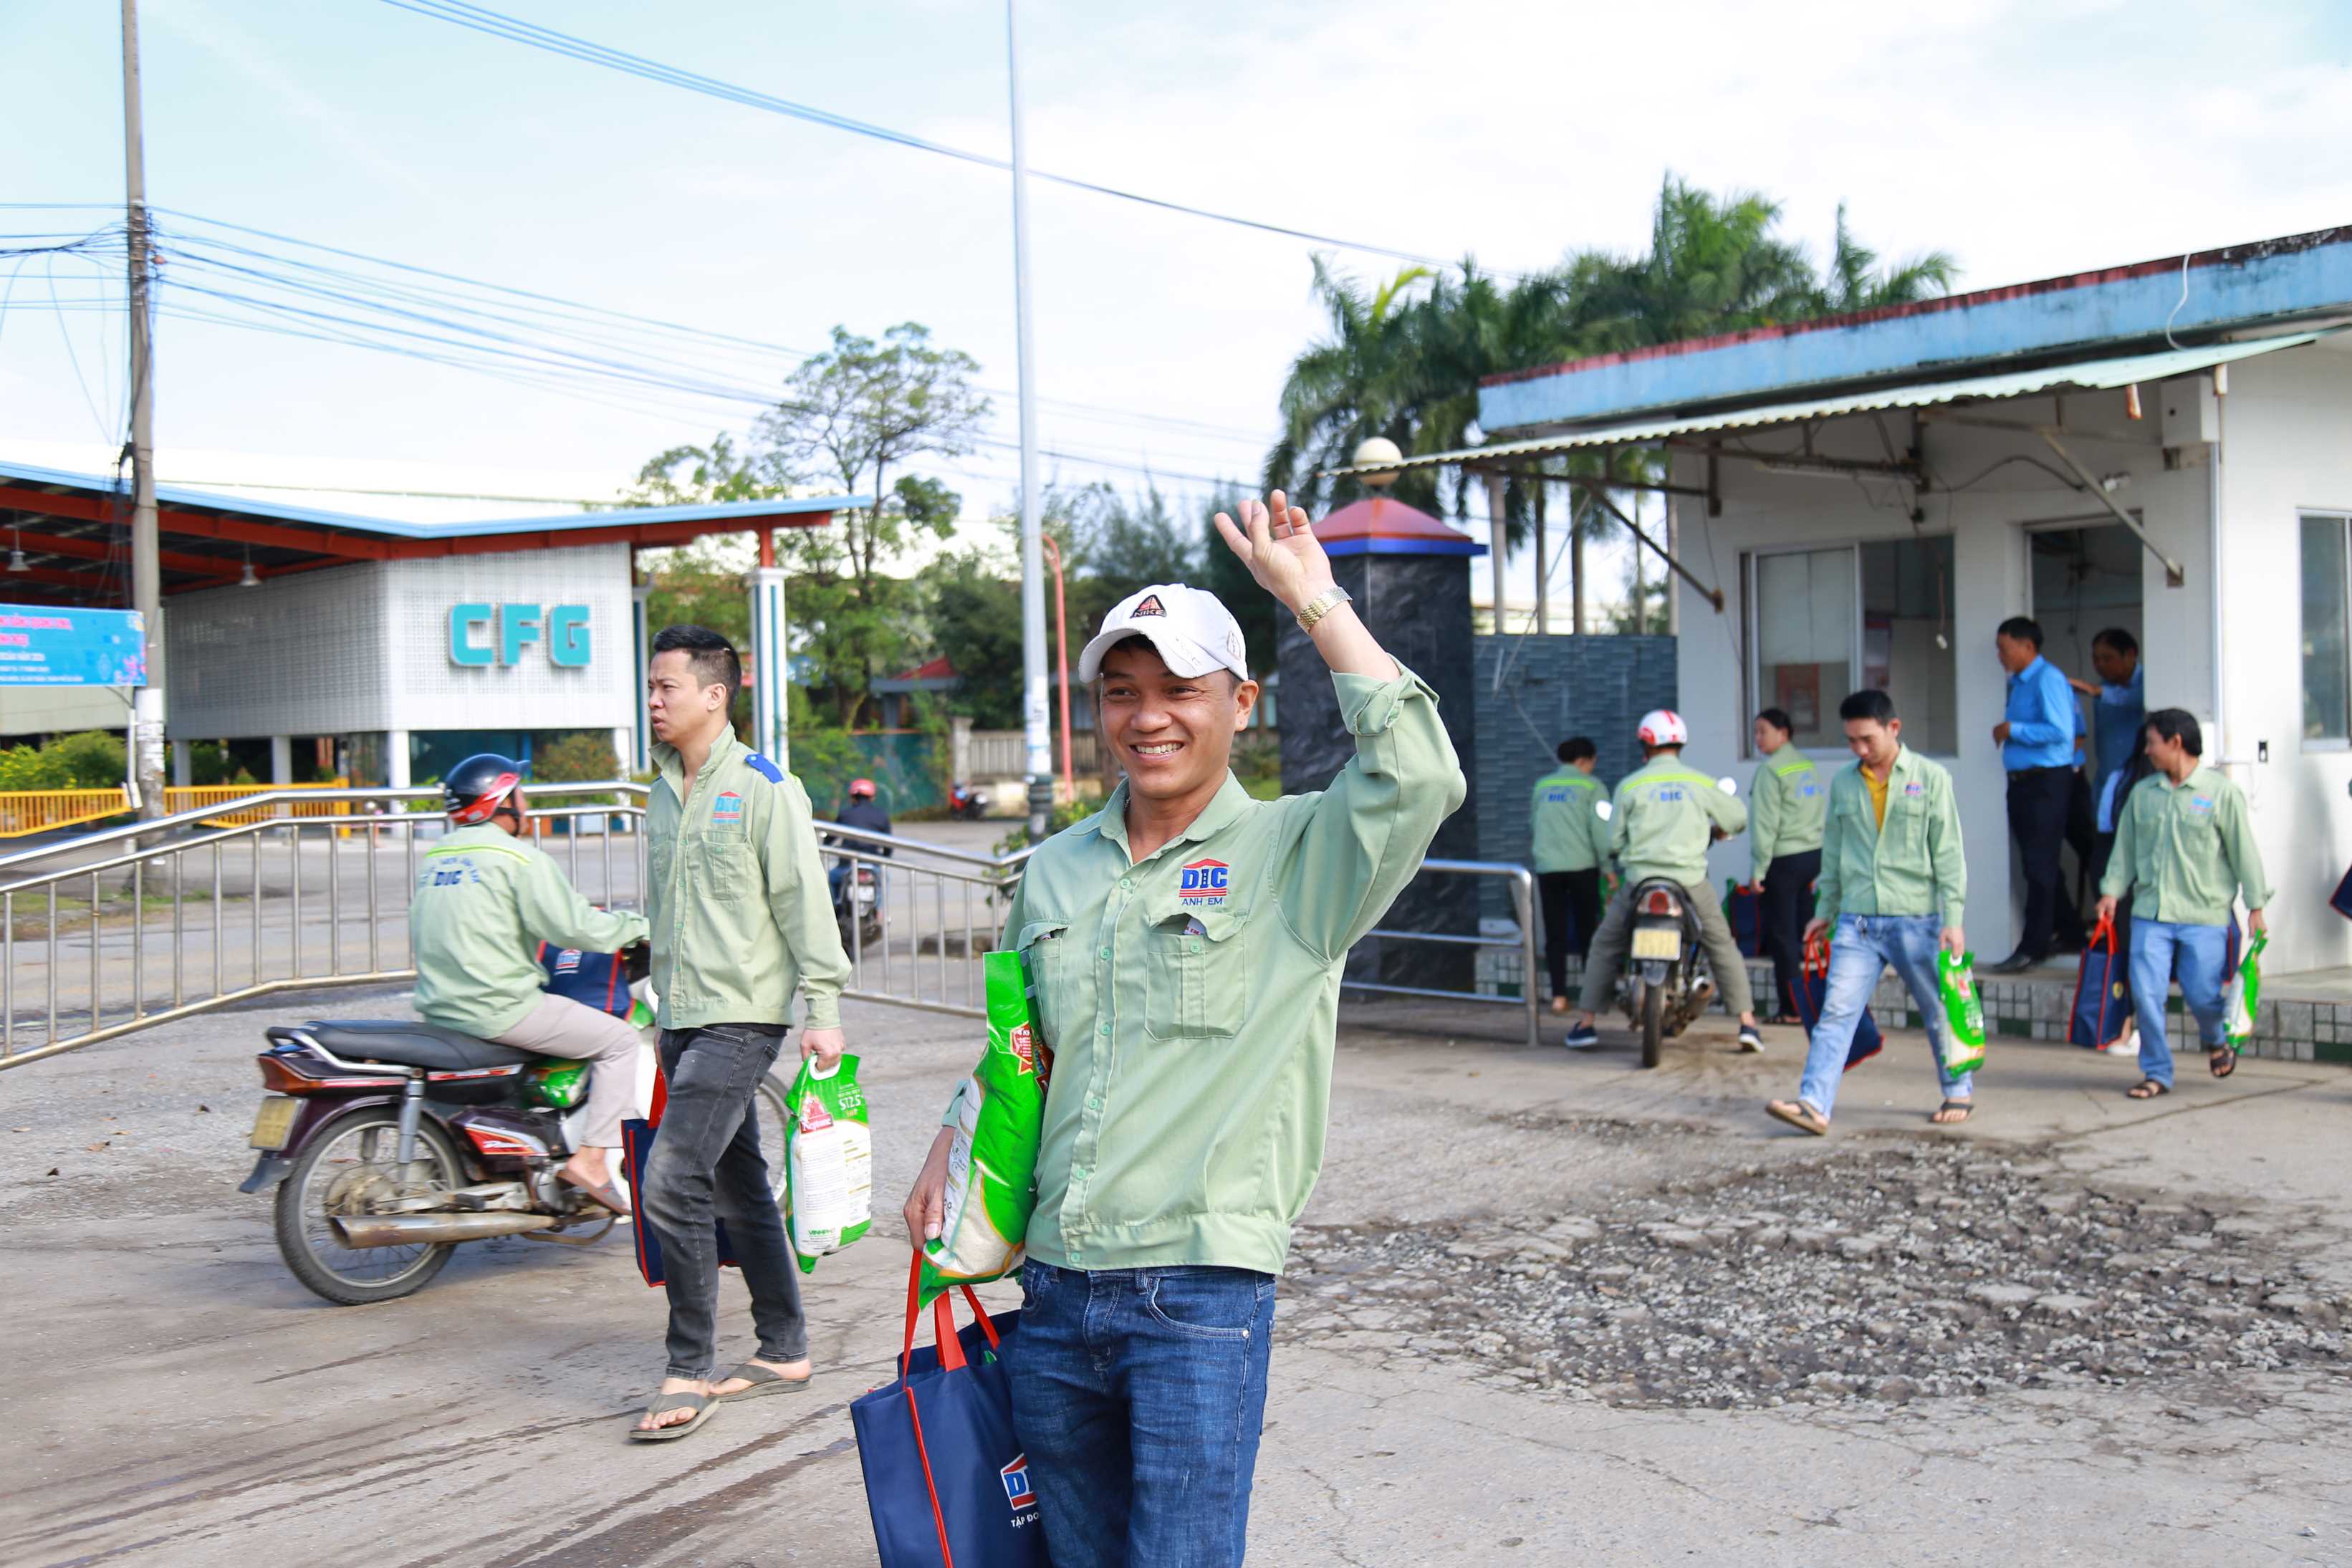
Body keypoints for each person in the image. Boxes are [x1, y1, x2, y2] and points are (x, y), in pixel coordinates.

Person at [901, 491, 1464, 1568]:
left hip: (1197, 1292)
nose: (1146, 716)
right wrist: (948, 1142)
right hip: (1052, 1284)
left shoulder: (1299, 856)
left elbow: (1421, 775)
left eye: (1178, 690)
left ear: (1240, 702)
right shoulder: (1052, 869)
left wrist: (1315, 600)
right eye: (1122, 692)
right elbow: (1020, 1049)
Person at [632, 625, 854, 1443]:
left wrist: (822, 1009)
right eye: (651, 687)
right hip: (679, 1016)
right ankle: (784, 1348)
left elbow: (804, 901)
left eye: (667, 687)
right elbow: (668, 907)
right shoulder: (662, 790)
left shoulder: (765, 788)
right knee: (741, 1187)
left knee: (670, 1177)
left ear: (715, 695)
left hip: (741, 1018)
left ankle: (688, 1366)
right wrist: (648, 995)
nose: (654, 701)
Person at [408, 753, 648, 1213]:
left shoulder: (437, 857)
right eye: (520, 794)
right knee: (618, 1041)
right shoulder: (518, 858)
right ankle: (592, 1162)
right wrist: (638, 928)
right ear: (501, 802)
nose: (526, 805)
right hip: (499, 1009)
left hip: (440, 1008)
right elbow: (575, 927)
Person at [1766, 689, 1971, 1134]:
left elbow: (1949, 853)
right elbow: (1835, 852)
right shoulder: (1844, 782)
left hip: (1916, 920)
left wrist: (1953, 919)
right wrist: (1825, 909)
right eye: (1851, 740)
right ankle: (1814, 1104)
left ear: (1893, 728)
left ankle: (1958, 1090)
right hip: (1857, 921)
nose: (1859, 749)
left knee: (1938, 1011)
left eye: (1867, 739)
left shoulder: (1931, 778)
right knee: (1837, 1012)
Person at [1561, 709, 1765, 1054]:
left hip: (1640, 882)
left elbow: (1612, 842)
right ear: (1680, 744)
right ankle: (1747, 1024)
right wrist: (1717, 830)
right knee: (1720, 944)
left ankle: (1586, 1023)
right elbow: (1738, 818)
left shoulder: (1630, 785)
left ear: (1645, 744)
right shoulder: (1701, 783)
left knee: (1605, 944)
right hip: (1690, 881)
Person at [2096, 708, 2270, 1099]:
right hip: (2150, 913)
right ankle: (2157, 1072)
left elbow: (2244, 853)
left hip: (2203, 915)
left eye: (2152, 743)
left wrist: (2256, 906)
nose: (2147, 750)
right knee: (2146, 995)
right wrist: (2111, 892)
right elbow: (2124, 851)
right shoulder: (2143, 794)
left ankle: (2216, 1038)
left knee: (2202, 994)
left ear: (2176, 743)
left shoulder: (2221, 793)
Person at [1987, 616, 2087, 973]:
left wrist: (2013, 730)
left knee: (2039, 867)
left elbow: (2061, 732)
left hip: (2046, 782)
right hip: (2023, 784)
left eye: (2004, 648)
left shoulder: (2048, 679)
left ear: (2027, 646)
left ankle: (2033, 946)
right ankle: (2071, 932)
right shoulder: (2019, 684)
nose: (2000, 655)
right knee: (2039, 864)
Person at [1748, 708, 1825, 1024]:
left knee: (1783, 936)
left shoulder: (1771, 771)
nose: (1757, 738)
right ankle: (1814, 1002)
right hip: (1813, 855)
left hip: (1784, 861)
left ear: (1783, 733)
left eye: (1763, 731)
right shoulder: (1805, 765)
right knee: (1806, 931)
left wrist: (1758, 870)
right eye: (1755, 732)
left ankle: (1792, 1009)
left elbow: (1764, 825)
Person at [1530, 736, 1609, 1014]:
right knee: (1589, 932)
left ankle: (1559, 997)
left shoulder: (1542, 786)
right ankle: (1592, 997)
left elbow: (1534, 824)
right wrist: (1608, 869)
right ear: (1584, 761)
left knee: (1555, 934)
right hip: (1582, 868)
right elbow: (1601, 832)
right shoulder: (1592, 786)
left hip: (1548, 869)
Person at [2070, 627, 2146, 809]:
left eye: (2107, 658)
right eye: (2096, 659)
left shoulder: (2149, 682)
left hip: (2142, 780)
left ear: (2130, 654)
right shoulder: (2102, 690)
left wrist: (2098, 692)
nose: (2100, 665)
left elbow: (2134, 699)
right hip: (2107, 779)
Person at [826, 776, 894, 904]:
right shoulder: (882, 815)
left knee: (831, 879)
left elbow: (831, 838)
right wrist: (884, 857)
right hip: (872, 865)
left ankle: (835, 906)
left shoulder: (845, 814)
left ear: (852, 797)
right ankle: (878, 909)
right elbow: (889, 846)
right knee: (885, 880)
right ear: (872, 797)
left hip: (847, 865)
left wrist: (827, 844)